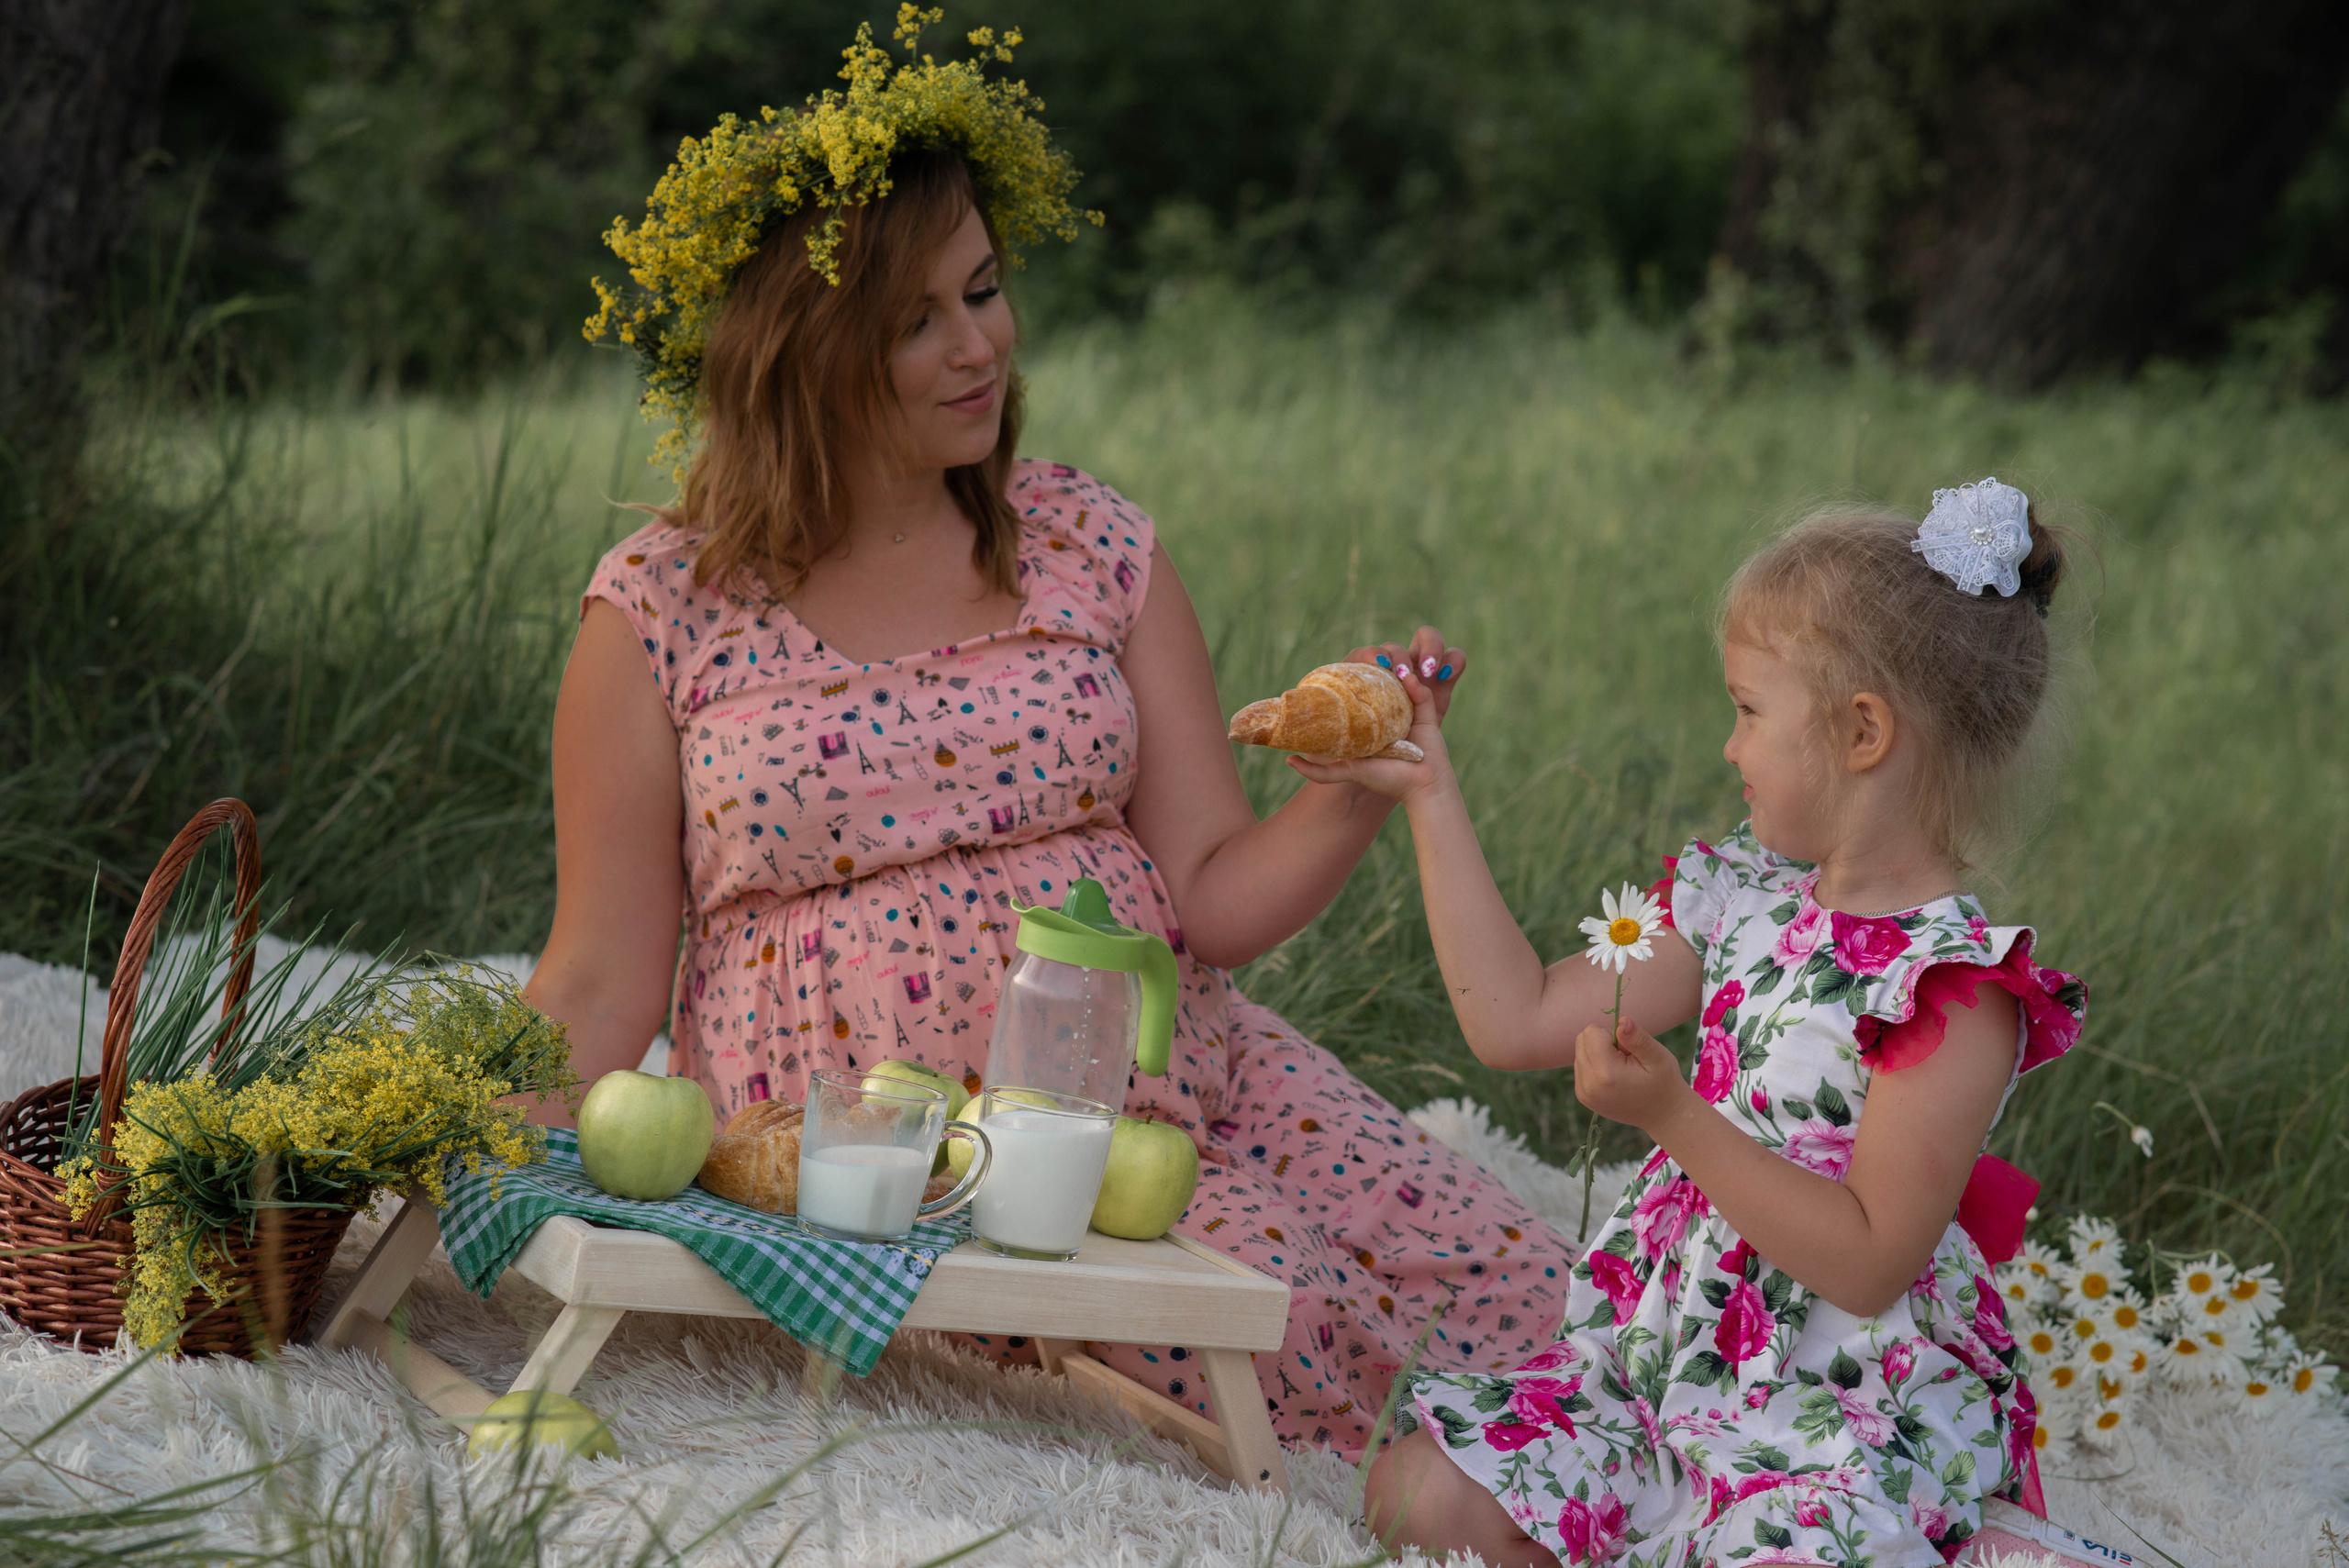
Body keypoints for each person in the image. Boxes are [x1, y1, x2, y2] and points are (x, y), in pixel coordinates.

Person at [525, 26, 1573, 1460]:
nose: (981, 346)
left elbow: (1208, 891)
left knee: (1529, 1296)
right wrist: (421, 1138)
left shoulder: (1090, 543)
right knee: (1301, 1334)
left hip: (1178, 1085)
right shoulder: (664, 610)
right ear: (799, 353)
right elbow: (597, 976)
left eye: (987, 289)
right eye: (916, 319)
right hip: (911, 1170)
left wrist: (1352, 792)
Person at [1305, 483, 2088, 1564]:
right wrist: (1429, 792)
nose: (1728, 747)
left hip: (1833, 1413)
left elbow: (1865, 1262)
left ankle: (1963, 1541)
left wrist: (1675, 1115)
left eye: (1747, 710)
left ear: (1861, 731)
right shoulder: (1745, 898)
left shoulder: (1950, 988)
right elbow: (1514, 1012)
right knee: (1413, 1496)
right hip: (1664, 1382)